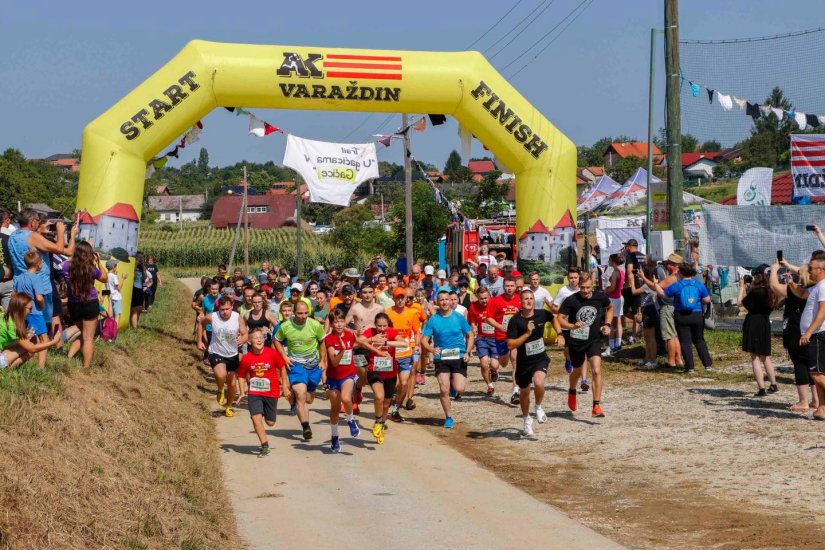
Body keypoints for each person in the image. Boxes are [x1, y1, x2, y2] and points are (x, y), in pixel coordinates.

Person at [554, 272, 614, 417]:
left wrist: (607, 324)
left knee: (596, 370)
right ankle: (572, 390)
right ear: (578, 286)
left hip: (594, 339)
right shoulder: (571, 300)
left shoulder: (600, 297)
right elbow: (559, 319)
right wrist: (571, 326)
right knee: (576, 371)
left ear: (592, 285)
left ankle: (596, 406)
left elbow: (610, 307)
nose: (585, 291)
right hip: (577, 340)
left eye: (588, 287)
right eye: (582, 288)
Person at [7, 208, 77, 329]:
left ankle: (30, 344)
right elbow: (60, 249)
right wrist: (60, 232)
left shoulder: (13, 236)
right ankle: (37, 346)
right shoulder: (32, 236)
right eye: (38, 221)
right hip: (38, 286)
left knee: (25, 322)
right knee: (39, 325)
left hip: (20, 283)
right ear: (32, 222)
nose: (38, 224)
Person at [420, 289, 474, 428]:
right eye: (441, 300)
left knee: (459, 388)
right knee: (444, 389)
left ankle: (453, 386)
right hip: (441, 357)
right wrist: (432, 349)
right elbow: (424, 339)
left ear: (451, 301)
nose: (444, 302)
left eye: (446, 299)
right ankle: (448, 417)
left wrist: (468, 351)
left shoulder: (458, 317)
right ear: (438, 302)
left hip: (459, 356)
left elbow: (470, 334)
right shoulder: (433, 320)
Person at [507, 289, 558, 436]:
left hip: (540, 358)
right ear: (520, 302)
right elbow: (510, 345)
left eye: (531, 298)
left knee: (539, 383)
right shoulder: (515, 321)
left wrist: (560, 334)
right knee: (524, 392)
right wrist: (527, 334)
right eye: (526, 299)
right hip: (523, 363)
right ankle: (526, 420)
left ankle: (538, 407)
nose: (529, 301)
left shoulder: (542, 314)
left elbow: (553, 318)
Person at [274, 301, 327, 441]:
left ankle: (297, 400)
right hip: (296, 365)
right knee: (301, 394)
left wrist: (322, 360)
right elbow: (277, 340)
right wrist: (284, 356)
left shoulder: (315, 325)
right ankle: (305, 427)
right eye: (299, 313)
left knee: (309, 398)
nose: (303, 316)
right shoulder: (285, 326)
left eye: (305, 313)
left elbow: (322, 342)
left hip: (313, 365)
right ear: (293, 312)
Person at [770, 261, 817, 411]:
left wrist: (774, 270)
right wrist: (788, 265)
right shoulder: (816, 288)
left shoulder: (797, 291)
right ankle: (816, 400)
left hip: (797, 331)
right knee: (813, 366)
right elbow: (802, 270)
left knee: (800, 365)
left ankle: (803, 401)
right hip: (813, 331)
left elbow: (774, 286)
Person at [237, 327, 289, 458]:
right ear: (249, 341)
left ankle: (267, 412)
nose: (259, 340)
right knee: (256, 417)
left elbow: (282, 368)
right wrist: (242, 392)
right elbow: (241, 375)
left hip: (272, 392)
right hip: (254, 392)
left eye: (261, 337)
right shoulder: (247, 358)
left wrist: (286, 387)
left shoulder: (272, 353)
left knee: (270, 423)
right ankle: (264, 445)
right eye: (255, 338)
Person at [655, 263, 712, 374]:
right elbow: (707, 300)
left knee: (685, 342)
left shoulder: (677, 285)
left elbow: (663, 294)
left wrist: (655, 284)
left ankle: (690, 367)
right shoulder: (699, 284)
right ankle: (708, 365)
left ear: (680, 272)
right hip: (696, 314)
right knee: (699, 340)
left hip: (681, 315)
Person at [324, 309, 367, 452]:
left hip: (348, 375)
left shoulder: (349, 335)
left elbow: (360, 343)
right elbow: (334, 363)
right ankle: (334, 436)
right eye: (335, 322)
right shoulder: (329, 339)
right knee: (335, 409)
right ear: (331, 324)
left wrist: (374, 342)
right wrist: (342, 351)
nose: (339, 324)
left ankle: (350, 420)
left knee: (346, 397)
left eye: (341, 321)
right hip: (333, 377)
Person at [198, 296, 248, 417]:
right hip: (216, 352)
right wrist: (199, 341)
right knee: (221, 375)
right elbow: (201, 324)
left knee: (231, 384)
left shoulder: (237, 318)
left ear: (232, 307)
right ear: (218, 308)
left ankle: (229, 406)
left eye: (227, 309)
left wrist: (242, 339)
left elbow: (245, 333)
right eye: (222, 309)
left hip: (232, 354)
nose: (225, 312)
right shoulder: (212, 316)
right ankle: (220, 389)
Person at [362, 313, 407, 443]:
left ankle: (381, 424)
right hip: (374, 371)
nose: (382, 328)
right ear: (375, 325)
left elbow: (404, 343)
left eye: (384, 326)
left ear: (388, 325)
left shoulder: (391, 332)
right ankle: (377, 421)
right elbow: (358, 342)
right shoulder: (370, 332)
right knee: (379, 396)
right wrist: (372, 339)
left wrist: (386, 342)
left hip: (390, 373)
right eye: (379, 325)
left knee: (386, 403)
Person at [62, 242, 108, 369]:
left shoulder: (66, 266)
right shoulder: (90, 268)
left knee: (83, 333)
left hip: (73, 305)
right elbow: (105, 278)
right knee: (88, 337)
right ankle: (86, 367)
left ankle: (69, 357)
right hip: (90, 303)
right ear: (89, 254)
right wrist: (98, 262)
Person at [345, 283, 385, 412]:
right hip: (360, 345)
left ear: (374, 293)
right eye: (365, 292)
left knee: (376, 374)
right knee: (361, 371)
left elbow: (386, 325)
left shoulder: (380, 309)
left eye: (369, 292)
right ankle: (358, 389)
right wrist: (353, 332)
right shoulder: (355, 308)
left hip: (376, 345)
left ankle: (380, 400)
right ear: (360, 294)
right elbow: (343, 325)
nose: (367, 295)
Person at [738, 271, 777, 396]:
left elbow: (740, 303)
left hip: (753, 322)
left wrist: (741, 288)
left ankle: (761, 388)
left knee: (755, 357)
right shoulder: (771, 292)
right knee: (765, 355)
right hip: (765, 322)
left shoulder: (755, 292)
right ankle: (773, 384)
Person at [0, 293, 62, 369]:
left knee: (31, 342)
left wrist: (26, 335)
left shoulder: (6, 316)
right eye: (30, 308)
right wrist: (53, 342)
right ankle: (7, 370)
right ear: (22, 308)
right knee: (30, 347)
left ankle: (8, 370)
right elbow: (31, 348)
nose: (31, 311)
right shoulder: (12, 324)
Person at [386, 287, 422, 418]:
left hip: (406, 354)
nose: (400, 300)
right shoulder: (387, 313)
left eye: (403, 297)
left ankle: (396, 409)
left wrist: (417, 345)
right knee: (392, 384)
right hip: (390, 354)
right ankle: (388, 401)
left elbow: (417, 331)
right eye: (398, 297)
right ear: (393, 298)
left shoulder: (412, 313)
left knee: (404, 382)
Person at [486, 277, 521, 404]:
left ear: (516, 286)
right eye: (507, 286)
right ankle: (494, 369)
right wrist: (500, 326)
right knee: (504, 363)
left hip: (516, 336)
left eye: (512, 285)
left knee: (515, 360)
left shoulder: (520, 299)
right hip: (501, 337)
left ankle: (516, 391)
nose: (509, 288)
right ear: (503, 286)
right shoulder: (496, 301)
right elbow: (489, 318)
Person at [13, 250, 50, 368]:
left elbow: (14, 294)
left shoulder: (19, 278)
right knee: (44, 339)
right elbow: (39, 298)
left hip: (22, 311)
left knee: (29, 339)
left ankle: (17, 362)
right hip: (35, 312)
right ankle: (41, 367)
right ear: (38, 263)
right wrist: (43, 306)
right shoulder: (36, 278)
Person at [800, 252, 825, 421]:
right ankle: (822, 409)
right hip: (815, 334)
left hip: (818, 334)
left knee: (816, 374)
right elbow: (800, 292)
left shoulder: (823, 286)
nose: (808, 270)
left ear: (821, 269)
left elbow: (823, 312)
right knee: (818, 374)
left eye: (810, 268)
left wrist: (808, 332)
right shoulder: (817, 286)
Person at [551, 267, 583, 382]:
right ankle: (568, 360)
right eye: (571, 278)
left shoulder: (583, 289)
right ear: (567, 278)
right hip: (566, 324)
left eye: (575, 277)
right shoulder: (563, 291)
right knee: (568, 350)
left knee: (580, 350)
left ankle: (583, 379)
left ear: (579, 278)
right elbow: (554, 307)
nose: (573, 280)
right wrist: (563, 311)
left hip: (581, 325)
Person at [469, 287, 500, 396]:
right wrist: (474, 327)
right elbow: (472, 321)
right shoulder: (473, 306)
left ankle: (494, 371)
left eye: (486, 298)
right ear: (478, 297)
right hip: (482, 338)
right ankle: (489, 385)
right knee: (483, 363)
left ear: (489, 296)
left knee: (495, 365)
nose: (484, 300)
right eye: (481, 298)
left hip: (495, 337)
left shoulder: (495, 304)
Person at [656, 254, 684, 369]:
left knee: (669, 336)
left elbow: (656, 287)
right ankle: (679, 359)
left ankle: (671, 360)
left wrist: (648, 280)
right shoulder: (681, 276)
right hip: (676, 307)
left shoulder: (672, 278)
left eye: (668, 264)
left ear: (674, 265)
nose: (666, 266)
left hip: (667, 307)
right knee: (675, 335)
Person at [631, 265, 660, 368]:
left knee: (650, 337)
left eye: (641, 272)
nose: (638, 274)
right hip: (647, 310)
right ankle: (647, 358)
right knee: (647, 337)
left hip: (650, 310)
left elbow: (634, 292)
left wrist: (631, 280)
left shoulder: (647, 285)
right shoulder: (647, 284)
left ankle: (653, 360)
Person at [622, 239, 645, 343]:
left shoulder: (630, 256)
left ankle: (634, 334)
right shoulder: (642, 255)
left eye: (626, 246)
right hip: (643, 284)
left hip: (633, 286)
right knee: (637, 311)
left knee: (627, 311)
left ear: (630, 246)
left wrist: (628, 284)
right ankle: (636, 332)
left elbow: (629, 271)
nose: (626, 248)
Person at [604, 254, 625, 354]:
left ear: (612, 261)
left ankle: (611, 345)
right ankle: (618, 343)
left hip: (614, 298)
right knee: (618, 321)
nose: (608, 262)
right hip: (619, 297)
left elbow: (612, 288)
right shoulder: (621, 271)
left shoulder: (615, 272)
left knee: (611, 321)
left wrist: (605, 291)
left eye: (609, 260)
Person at [105, 259, 127, 326]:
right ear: (113, 267)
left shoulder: (106, 275)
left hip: (110, 297)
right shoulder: (114, 276)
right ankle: (114, 334)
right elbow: (119, 288)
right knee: (117, 316)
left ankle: (110, 331)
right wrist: (123, 278)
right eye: (116, 266)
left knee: (112, 316)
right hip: (116, 298)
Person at [131, 252, 148, 328]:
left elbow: (144, 278)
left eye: (142, 257)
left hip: (140, 289)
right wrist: (136, 264)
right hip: (134, 288)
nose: (141, 259)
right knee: (135, 309)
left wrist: (143, 268)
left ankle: (135, 325)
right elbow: (133, 276)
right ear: (136, 258)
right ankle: (134, 328)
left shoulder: (142, 267)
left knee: (140, 309)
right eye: (139, 257)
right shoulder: (133, 266)